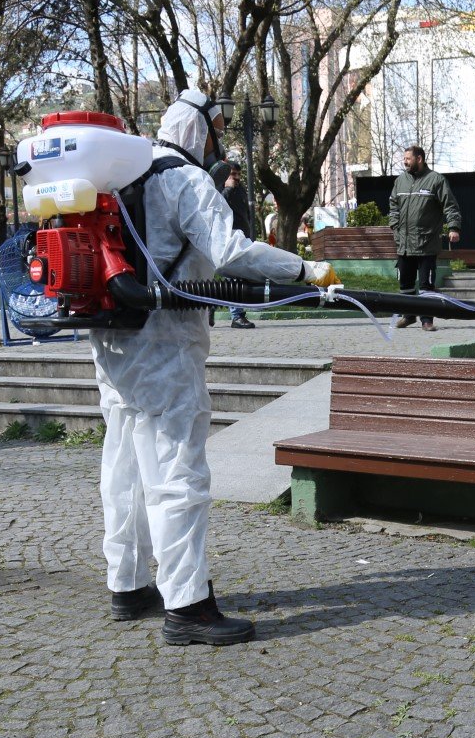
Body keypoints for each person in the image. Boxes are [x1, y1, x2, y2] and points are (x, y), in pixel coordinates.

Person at [93, 88, 337, 647]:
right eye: (215, 128)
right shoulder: (183, 180)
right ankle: (188, 606)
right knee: (177, 472)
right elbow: (229, 252)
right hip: (165, 343)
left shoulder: (118, 180)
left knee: (125, 467)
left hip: (111, 344)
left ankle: (127, 586)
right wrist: (305, 268)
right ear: (200, 131)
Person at [388, 145, 461, 331]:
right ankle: (409, 316)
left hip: (426, 243)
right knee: (405, 283)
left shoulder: (436, 180)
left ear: (419, 158)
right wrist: (394, 225)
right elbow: (393, 206)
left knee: (426, 285)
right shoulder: (400, 181)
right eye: (404, 159)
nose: (405, 162)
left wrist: (453, 227)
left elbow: (450, 206)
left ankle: (427, 320)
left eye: (408, 159)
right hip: (404, 243)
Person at [215, 161, 255, 329]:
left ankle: (210, 306)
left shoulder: (241, 190)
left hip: (242, 238)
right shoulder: (219, 190)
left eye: (238, 175)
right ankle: (237, 316)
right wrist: (228, 189)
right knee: (233, 279)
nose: (237, 178)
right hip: (227, 240)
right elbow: (217, 208)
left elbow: (245, 214)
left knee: (238, 279)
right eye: (233, 174)